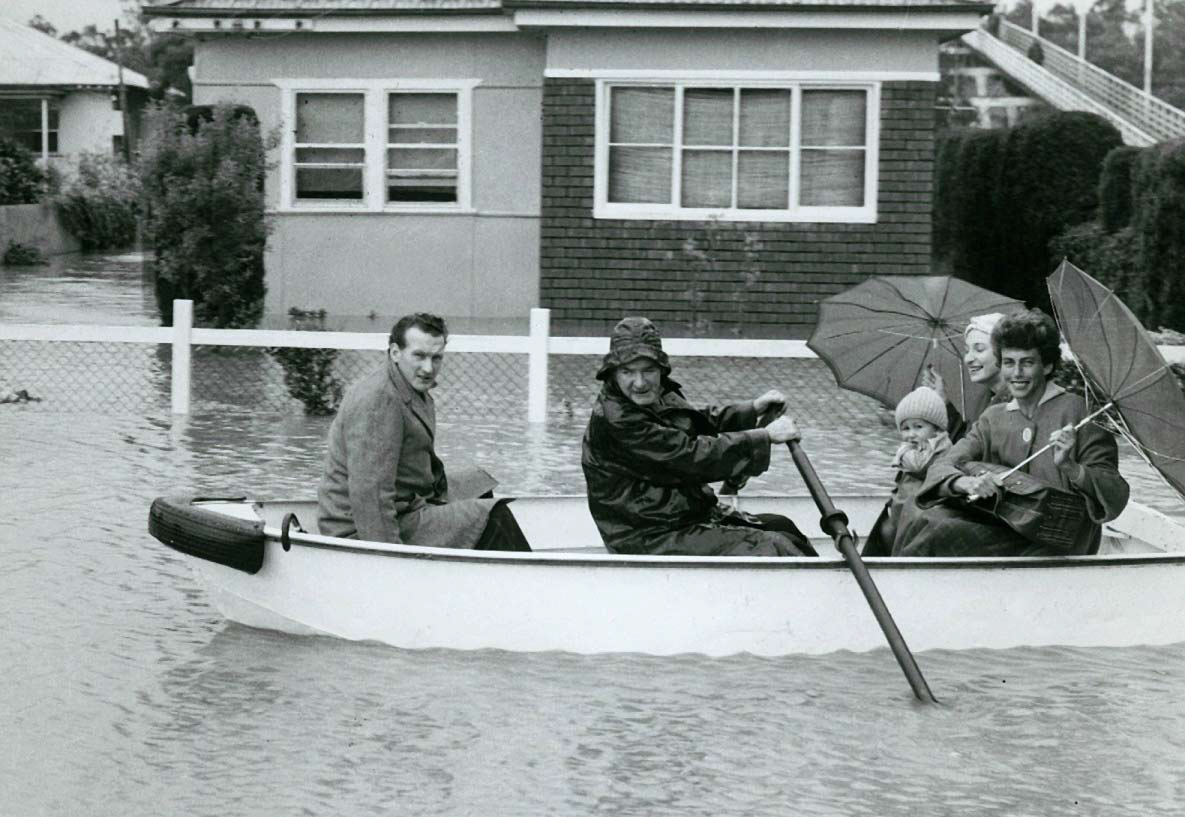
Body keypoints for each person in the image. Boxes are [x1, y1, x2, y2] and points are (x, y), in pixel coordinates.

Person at [898, 309, 1129, 557]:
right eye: (1009, 363)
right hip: (1007, 527)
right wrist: (966, 482)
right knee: (925, 518)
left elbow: (1115, 492)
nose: (1016, 374)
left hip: (1059, 542)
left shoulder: (1078, 413)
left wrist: (1071, 467)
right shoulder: (993, 417)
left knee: (935, 532)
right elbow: (944, 463)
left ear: (1048, 365)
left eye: (1027, 363)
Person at [581, 316, 815, 557]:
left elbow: (694, 422)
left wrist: (751, 409)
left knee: (781, 526)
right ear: (613, 373)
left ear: (661, 369)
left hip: (682, 517)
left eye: (648, 370)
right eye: (628, 372)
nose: (639, 383)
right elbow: (689, 455)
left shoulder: (657, 394)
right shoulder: (616, 419)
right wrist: (764, 436)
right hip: (647, 535)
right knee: (772, 547)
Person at [317, 312, 529, 551]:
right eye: (419, 356)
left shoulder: (407, 385)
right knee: (495, 516)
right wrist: (389, 561)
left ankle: (473, 575)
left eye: (436, 358)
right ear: (395, 352)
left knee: (478, 485)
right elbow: (370, 496)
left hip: (408, 505)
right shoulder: (378, 400)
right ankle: (536, 584)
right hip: (361, 530)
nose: (428, 368)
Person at [862, 386, 952, 556]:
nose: (911, 434)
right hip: (905, 504)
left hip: (925, 503)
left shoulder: (940, 445)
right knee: (888, 529)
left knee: (906, 531)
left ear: (937, 429)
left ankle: (901, 555)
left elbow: (919, 466)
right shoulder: (919, 445)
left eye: (918, 427)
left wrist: (902, 453)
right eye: (905, 428)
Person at [922, 312, 1008, 442]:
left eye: (979, 349)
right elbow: (967, 442)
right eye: (967, 351)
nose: (968, 359)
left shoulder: (1018, 405)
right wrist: (943, 401)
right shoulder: (986, 398)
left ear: (1004, 352)